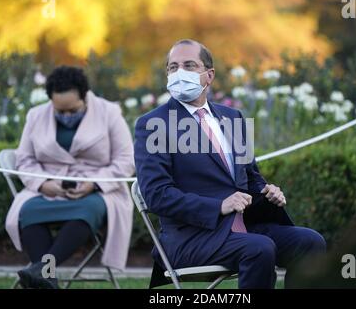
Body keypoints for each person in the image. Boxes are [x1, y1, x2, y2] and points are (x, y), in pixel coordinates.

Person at [134, 39, 326, 289]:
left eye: (189, 65)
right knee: (260, 248)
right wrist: (219, 206)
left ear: (209, 75)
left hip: (244, 228)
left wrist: (268, 192)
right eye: (173, 67)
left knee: (311, 242)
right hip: (191, 238)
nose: (179, 73)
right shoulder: (153, 124)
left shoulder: (232, 117)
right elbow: (157, 195)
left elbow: (250, 178)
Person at [5, 66, 135, 288]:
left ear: (85, 97)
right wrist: (43, 184)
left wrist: (93, 184)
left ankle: (43, 272)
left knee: (87, 210)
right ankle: (46, 276)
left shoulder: (109, 113)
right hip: (47, 190)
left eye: (72, 110)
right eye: (60, 111)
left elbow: (126, 159)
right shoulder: (36, 115)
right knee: (28, 212)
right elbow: (24, 159)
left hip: (98, 190)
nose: (66, 116)